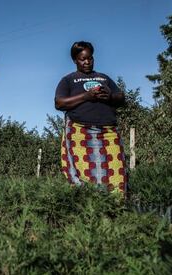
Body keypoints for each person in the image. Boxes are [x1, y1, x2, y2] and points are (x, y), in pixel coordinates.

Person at [54, 41, 127, 195]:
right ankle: (90, 207)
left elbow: (121, 97)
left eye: (90, 58)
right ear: (75, 60)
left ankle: (116, 208)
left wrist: (110, 96)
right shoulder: (69, 80)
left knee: (116, 169)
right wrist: (86, 96)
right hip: (80, 132)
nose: (87, 62)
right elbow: (59, 103)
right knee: (84, 171)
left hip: (109, 131)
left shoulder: (103, 78)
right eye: (82, 59)